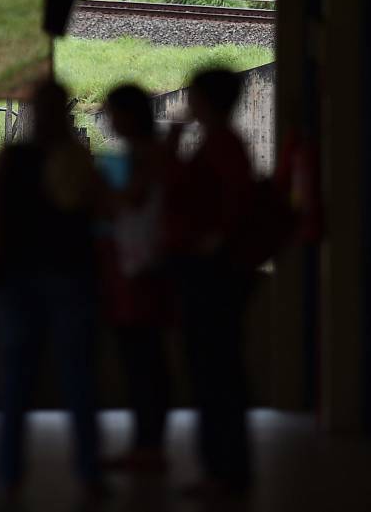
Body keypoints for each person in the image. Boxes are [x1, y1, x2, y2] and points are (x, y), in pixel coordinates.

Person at [0, 79, 104, 497]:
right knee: (79, 380)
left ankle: (9, 478)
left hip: (15, 281)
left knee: (14, 385)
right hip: (71, 278)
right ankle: (88, 474)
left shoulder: (15, 158)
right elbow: (99, 209)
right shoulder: (77, 159)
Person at [165, 66, 256, 495]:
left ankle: (223, 470)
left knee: (214, 374)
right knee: (218, 372)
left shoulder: (222, 147)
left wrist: (208, 247)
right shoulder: (225, 144)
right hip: (219, 273)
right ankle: (223, 468)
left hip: (213, 277)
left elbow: (219, 206)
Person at [101, 84, 174, 472]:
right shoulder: (152, 151)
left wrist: (98, 192)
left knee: (142, 359)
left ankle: (149, 445)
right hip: (144, 265)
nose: (109, 119)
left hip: (141, 268)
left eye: (112, 111)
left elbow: (132, 199)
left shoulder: (146, 155)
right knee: (145, 358)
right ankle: (148, 443)